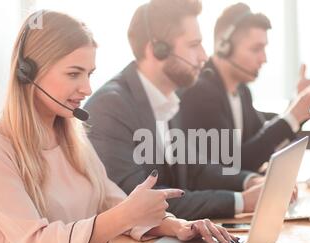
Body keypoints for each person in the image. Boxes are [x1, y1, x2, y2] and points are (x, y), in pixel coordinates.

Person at [0, 10, 237, 243]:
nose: (87, 88)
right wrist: (125, 214)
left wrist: (177, 226)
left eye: (89, 74)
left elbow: (112, 202)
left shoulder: (72, 137)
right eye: (74, 73)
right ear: (27, 73)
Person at [85, 0, 267, 221]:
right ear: (158, 50)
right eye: (193, 45)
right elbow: (143, 202)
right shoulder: (111, 107)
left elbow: (195, 170)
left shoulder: (169, 97)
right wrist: (242, 201)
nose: (203, 56)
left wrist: (249, 181)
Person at [178, 3, 310, 172]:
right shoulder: (201, 93)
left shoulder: (241, 92)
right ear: (223, 46)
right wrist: (292, 116)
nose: (264, 58)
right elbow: (232, 164)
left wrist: (299, 101)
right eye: (256, 49)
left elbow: (263, 141)